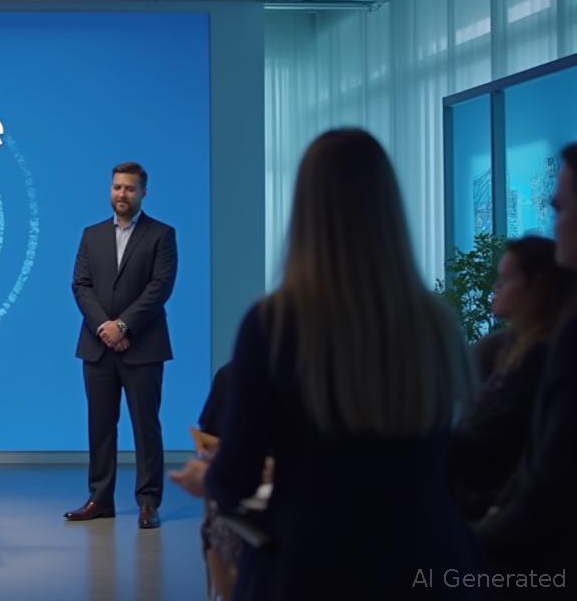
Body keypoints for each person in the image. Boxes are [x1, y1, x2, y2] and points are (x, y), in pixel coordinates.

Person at [169, 129, 481, 601]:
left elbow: (236, 476)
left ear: (305, 210)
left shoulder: (274, 323)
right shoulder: (435, 324)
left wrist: (203, 479)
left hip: (311, 566)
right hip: (431, 564)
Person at [475, 142, 577, 576]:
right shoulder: (502, 350)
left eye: (561, 207)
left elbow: (546, 480)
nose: (555, 218)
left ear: (536, 288)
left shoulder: (548, 348)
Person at [65, 162, 177, 529]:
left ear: (143, 192)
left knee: (146, 427)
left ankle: (148, 502)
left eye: (129, 188)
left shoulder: (162, 235)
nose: (122, 194)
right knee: (100, 427)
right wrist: (105, 327)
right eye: (117, 187)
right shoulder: (91, 234)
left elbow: (160, 287)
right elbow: (81, 285)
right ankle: (100, 499)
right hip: (98, 347)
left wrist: (124, 325)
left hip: (143, 347)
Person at [451, 236, 573, 519]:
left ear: (537, 289)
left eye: (505, 279)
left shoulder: (540, 358)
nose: (496, 287)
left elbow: (491, 442)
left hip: (491, 508)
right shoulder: (503, 350)